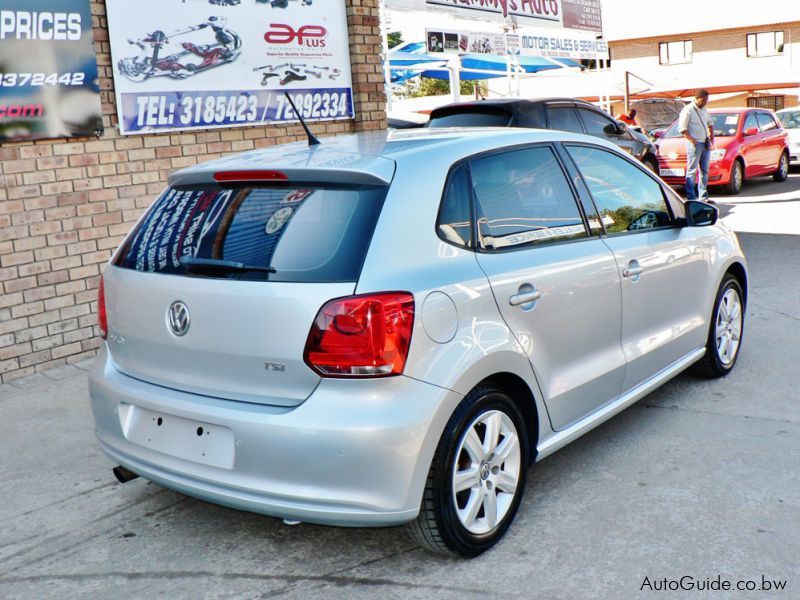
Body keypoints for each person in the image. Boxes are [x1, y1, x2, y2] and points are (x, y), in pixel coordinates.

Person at [679, 89, 715, 201]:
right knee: (692, 170)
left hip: (705, 143)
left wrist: (711, 136)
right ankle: (691, 198)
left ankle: (703, 197)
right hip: (694, 144)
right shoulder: (688, 110)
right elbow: (682, 129)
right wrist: (692, 141)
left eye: (706, 100)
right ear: (696, 99)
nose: (704, 102)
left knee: (705, 171)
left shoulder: (704, 110)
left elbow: (710, 123)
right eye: (703, 100)